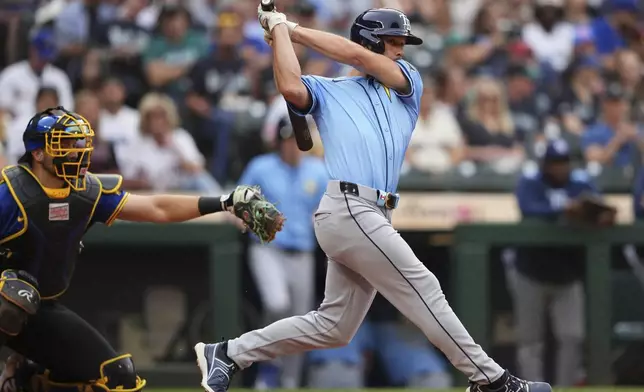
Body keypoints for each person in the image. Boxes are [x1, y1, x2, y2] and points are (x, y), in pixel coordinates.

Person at [194, 4, 551, 392]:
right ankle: (494, 382)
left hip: (376, 212)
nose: (400, 49)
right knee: (424, 286)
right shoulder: (329, 90)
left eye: (402, 42)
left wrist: (291, 28)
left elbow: (355, 56)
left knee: (334, 327)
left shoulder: (407, 82)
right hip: (347, 206)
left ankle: (229, 352)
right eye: (393, 41)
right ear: (370, 38)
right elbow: (291, 86)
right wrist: (279, 33)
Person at [0, 106, 278, 392]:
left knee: (119, 377)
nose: (75, 151)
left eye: (77, 143)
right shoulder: (10, 193)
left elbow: (157, 208)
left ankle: (24, 379)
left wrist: (223, 202)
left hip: (40, 310)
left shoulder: (85, 190)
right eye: (64, 144)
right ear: (38, 153)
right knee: (9, 301)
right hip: (5, 305)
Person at [238, 118, 327, 389]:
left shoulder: (318, 171)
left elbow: (328, 208)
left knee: (300, 322)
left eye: (298, 141)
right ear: (279, 143)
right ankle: (269, 367)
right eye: (288, 141)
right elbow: (235, 200)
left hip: (302, 253)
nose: (293, 147)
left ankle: (289, 381)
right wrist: (245, 217)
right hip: (267, 248)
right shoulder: (261, 166)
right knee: (277, 303)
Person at [511, 139, 595, 385]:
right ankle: (531, 388)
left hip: (567, 274)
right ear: (545, 164)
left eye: (563, 162)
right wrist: (564, 211)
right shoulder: (531, 181)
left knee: (572, 337)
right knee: (529, 340)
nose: (560, 168)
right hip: (531, 272)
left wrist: (584, 211)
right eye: (554, 163)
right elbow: (528, 207)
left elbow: (598, 205)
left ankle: (566, 388)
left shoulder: (580, 182)